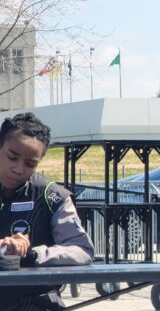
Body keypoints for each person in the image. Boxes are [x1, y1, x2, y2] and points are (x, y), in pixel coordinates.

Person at [0, 112, 94, 310]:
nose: (18, 168)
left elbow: (82, 250)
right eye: (12, 157)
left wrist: (33, 255)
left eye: (30, 163)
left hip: (38, 302)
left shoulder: (53, 197)